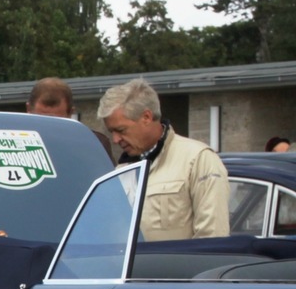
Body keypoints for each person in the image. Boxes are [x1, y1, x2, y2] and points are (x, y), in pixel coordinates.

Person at [98, 77, 229, 240]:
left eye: (121, 130)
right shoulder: (119, 173)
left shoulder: (198, 159)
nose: (116, 140)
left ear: (146, 117)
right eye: (112, 132)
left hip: (182, 265)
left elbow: (213, 239)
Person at [26, 76, 115, 162]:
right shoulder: (14, 143)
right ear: (28, 109)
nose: (47, 128)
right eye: (41, 120)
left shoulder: (95, 144)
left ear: (70, 113)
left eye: (56, 122)